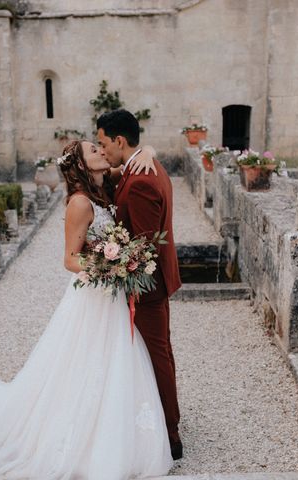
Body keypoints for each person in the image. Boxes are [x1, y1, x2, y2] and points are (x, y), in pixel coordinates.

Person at [0, 140, 173, 479]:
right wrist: (111, 264)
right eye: (93, 150)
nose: (102, 151)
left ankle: (115, 429)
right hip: (94, 293)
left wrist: (147, 151)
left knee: (116, 361)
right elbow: (69, 259)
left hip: (110, 295)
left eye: (101, 146)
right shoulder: (80, 203)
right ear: (82, 166)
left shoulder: (104, 188)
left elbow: (134, 157)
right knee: (84, 366)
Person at [97, 109, 183, 460]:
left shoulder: (142, 178)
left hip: (145, 288)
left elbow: (145, 247)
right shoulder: (140, 166)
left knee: (157, 356)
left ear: (120, 140)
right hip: (147, 285)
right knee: (156, 354)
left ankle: (171, 435)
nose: (102, 151)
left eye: (103, 144)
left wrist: (116, 269)